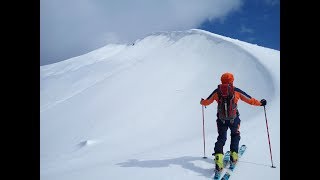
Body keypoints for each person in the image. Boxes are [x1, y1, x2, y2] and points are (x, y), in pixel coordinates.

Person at [200, 72, 266, 172]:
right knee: (235, 135)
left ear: (221, 80)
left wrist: (202, 102)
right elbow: (250, 100)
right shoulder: (235, 91)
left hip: (221, 120)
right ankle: (234, 156)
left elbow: (207, 102)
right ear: (232, 80)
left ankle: (218, 159)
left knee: (221, 138)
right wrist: (261, 103)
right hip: (234, 119)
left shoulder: (217, 91)